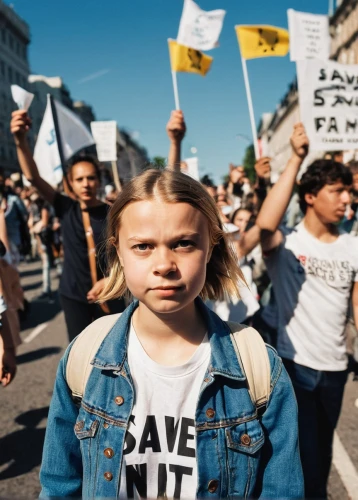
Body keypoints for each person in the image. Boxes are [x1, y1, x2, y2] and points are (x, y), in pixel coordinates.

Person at [40, 168, 303, 499]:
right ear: (118, 250)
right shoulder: (85, 355)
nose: (164, 264)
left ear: (210, 247)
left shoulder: (259, 367)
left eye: (184, 243)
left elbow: (282, 491)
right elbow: (59, 485)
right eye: (143, 246)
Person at [257, 123, 358, 499]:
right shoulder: (286, 243)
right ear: (311, 196)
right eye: (337, 191)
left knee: (323, 453)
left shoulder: (352, 246)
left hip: (334, 369)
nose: (346, 198)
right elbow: (265, 224)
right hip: (294, 367)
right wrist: (296, 157)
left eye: (348, 190)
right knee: (299, 457)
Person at [11, 109, 125, 342]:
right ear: (70, 183)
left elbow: (127, 255)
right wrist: (20, 140)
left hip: (110, 293)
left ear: (99, 180)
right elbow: (32, 177)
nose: (86, 184)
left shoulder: (113, 213)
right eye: (79, 179)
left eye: (91, 178)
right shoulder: (65, 207)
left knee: (117, 352)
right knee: (79, 354)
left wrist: (111, 280)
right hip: (74, 296)